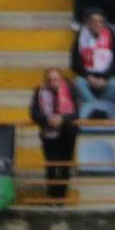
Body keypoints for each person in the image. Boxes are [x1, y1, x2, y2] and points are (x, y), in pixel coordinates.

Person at [30, 68, 77, 200]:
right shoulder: (39, 91)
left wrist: (62, 119)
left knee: (64, 166)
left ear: (61, 79)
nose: (52, 82)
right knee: (51, 166)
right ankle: (52, 196)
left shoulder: (70, 90)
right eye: (49, 80)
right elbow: (34, 113)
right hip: (48, 134)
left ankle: (61, 197)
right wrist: (47, 119)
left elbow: (76, 113)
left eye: (55, 79)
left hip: (67, 134)